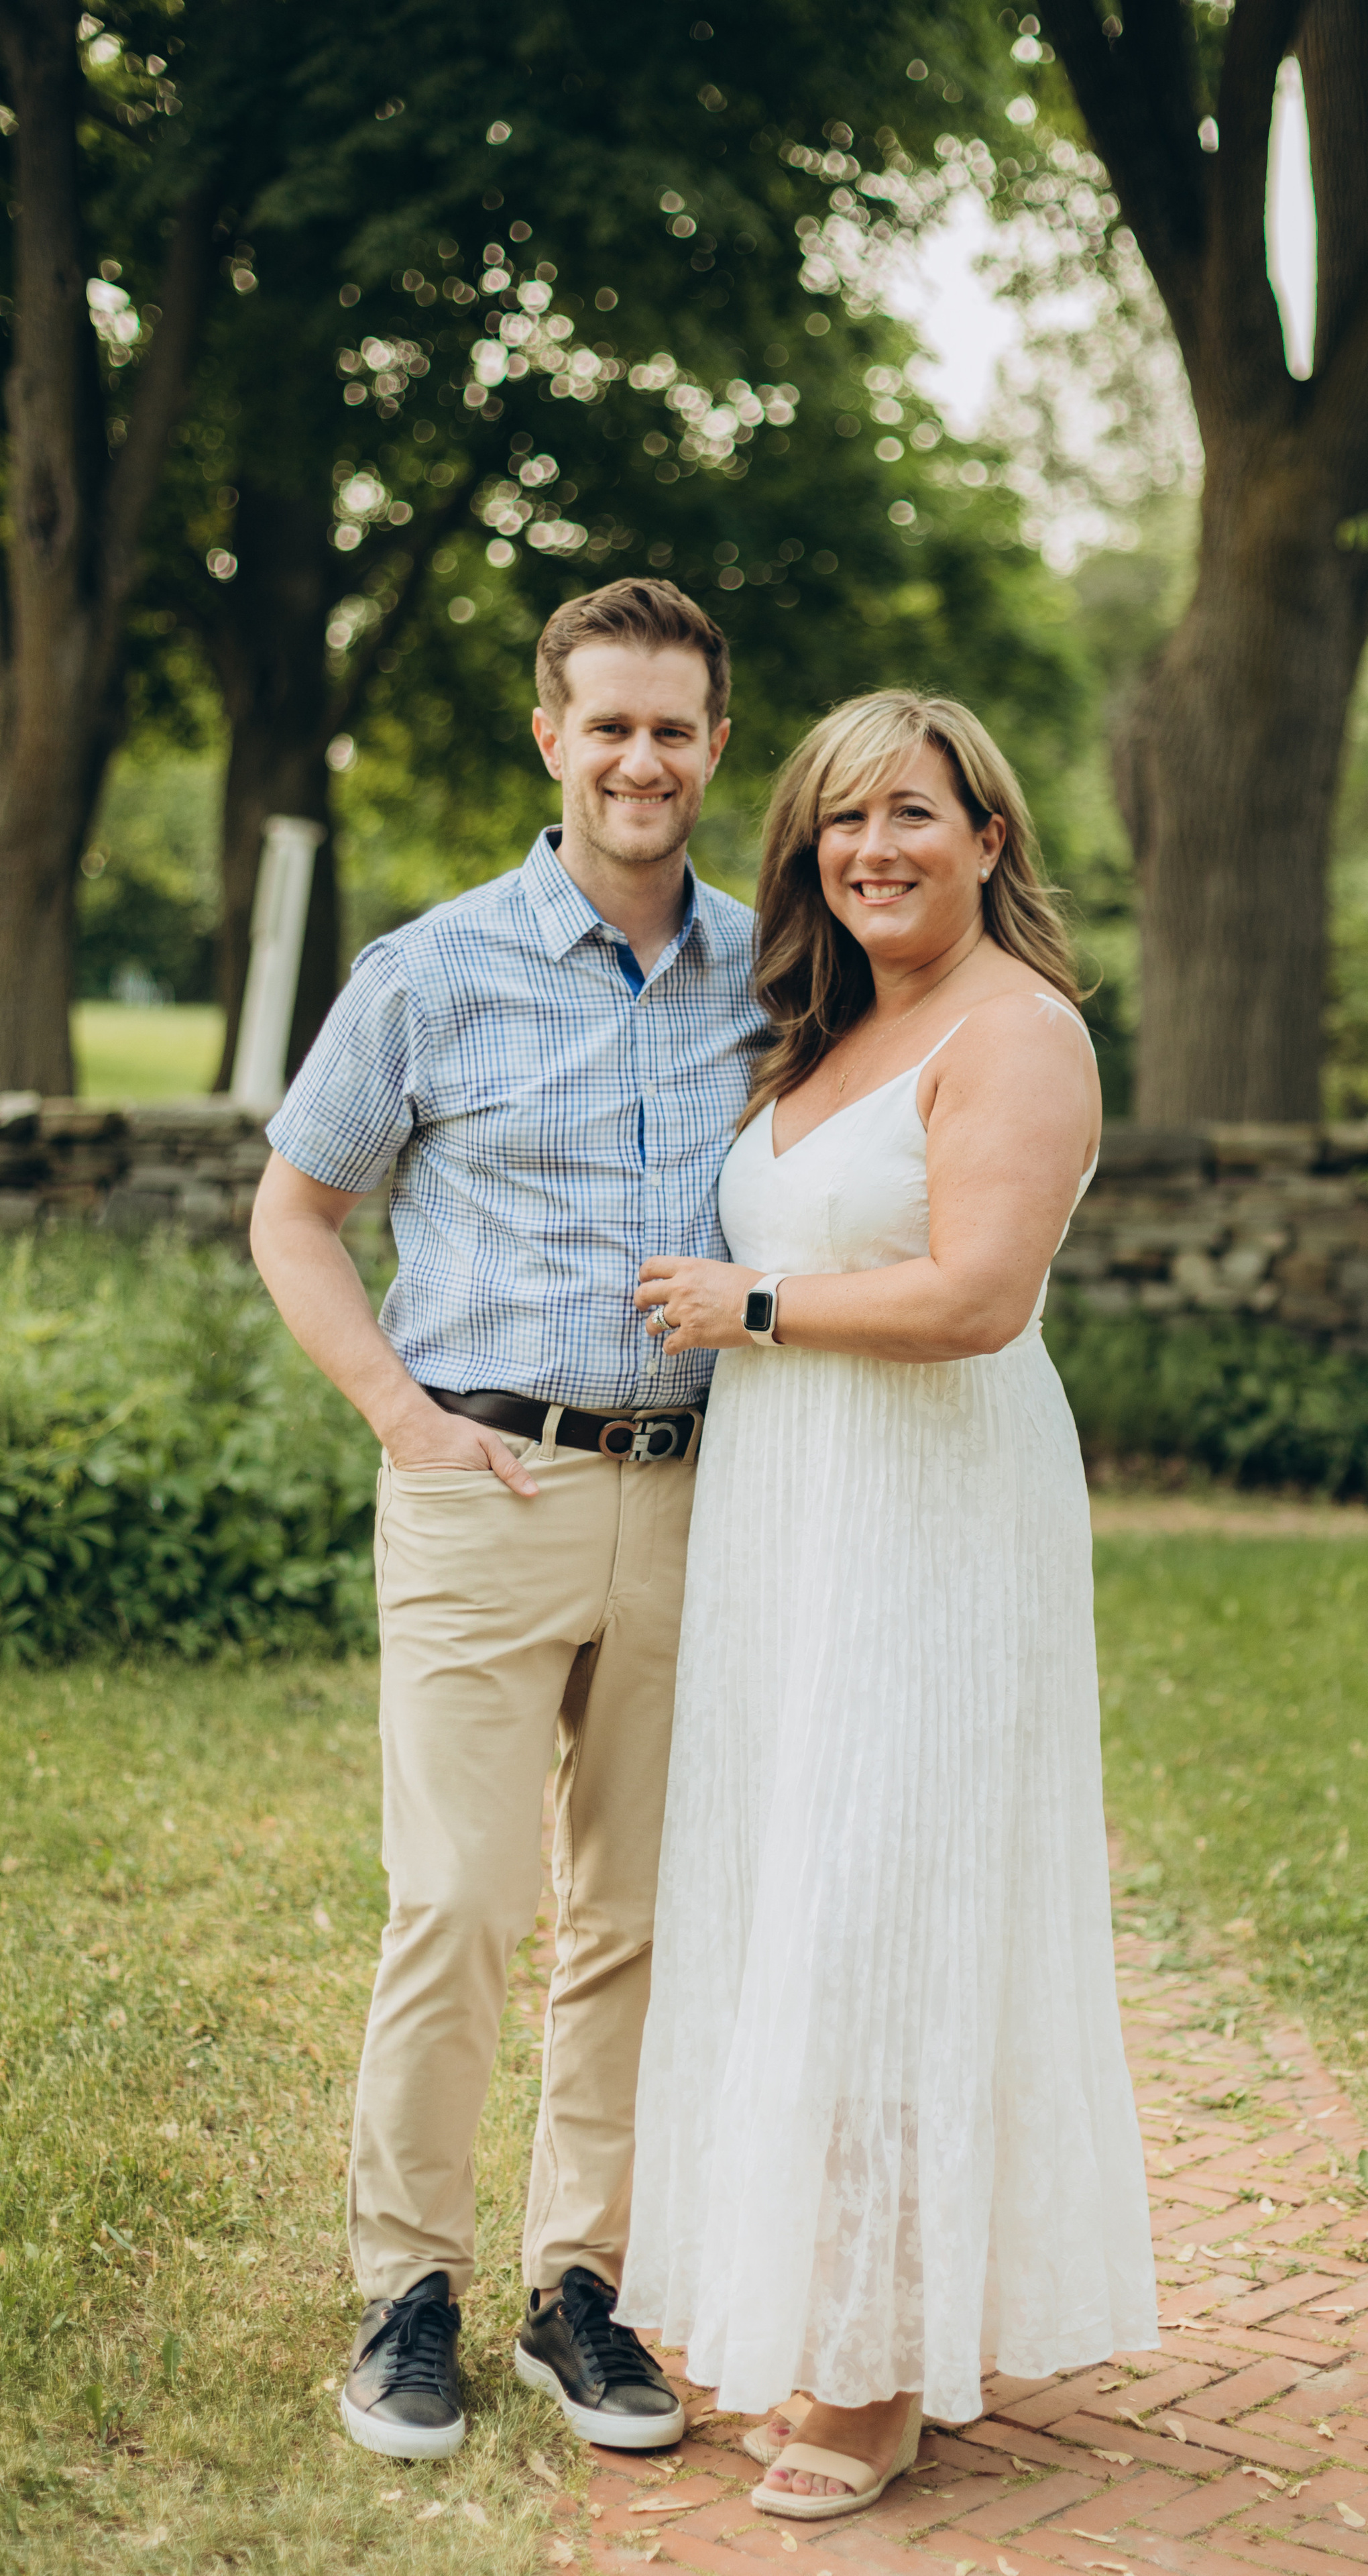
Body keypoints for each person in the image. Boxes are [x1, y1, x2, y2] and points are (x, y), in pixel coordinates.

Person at [616, 691, 1157, 2520]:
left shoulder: (1020, 1033)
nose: (875, 852)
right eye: (844, 824)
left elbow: (978, 1296)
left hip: (930, 1516)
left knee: (881, 1901)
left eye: (913, 816)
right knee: (790, 1897)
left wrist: (748, 1304)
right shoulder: (832, 1031)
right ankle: (812, 2290)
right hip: (790, 1520)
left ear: (990, 838)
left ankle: (873, 2363)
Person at [249, 578, 766, 2461]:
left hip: (701, 1496)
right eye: (608, 724)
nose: (644, 759)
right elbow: (293, 1211)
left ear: (716, 745)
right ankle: (408, 2292)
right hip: (485, 1481)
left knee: (636, 1917)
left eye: (677, 728)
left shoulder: (771, 977)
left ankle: (581, 2292)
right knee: (457, 1902)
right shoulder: (430, 968)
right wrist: (395, 1411)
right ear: (549, 736)